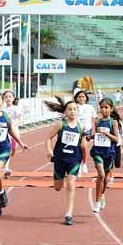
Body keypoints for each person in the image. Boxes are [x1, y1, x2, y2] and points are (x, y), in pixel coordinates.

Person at [44, 96, 87, 225]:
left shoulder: (81, 127)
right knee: (58, 187)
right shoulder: (60, 125)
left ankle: (68, 214)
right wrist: (49, 150)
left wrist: (84, 162)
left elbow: (83, 145)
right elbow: (48, 138)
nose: (72, 112)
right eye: (70, 109)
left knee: (71, 184)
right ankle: (59, 180)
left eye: (75, 109)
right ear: (65, 112)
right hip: (60, 159)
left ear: (77, 112)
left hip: (74, 159)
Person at [90, 98, 119, 213]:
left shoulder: (113, 122)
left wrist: (107, 134)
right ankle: (96, 203)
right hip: (97, 151)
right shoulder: (97, 121)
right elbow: (96, 135)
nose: (103, 109)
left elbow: (116, 139)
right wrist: (90, 137)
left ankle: (102, 195)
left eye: (106, 107)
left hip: (108, 152)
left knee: (105, 178)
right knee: (101, 175)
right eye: (101, 107)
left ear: (111, 109)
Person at [74, 90, 96, 176]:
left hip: (87, 130)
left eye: (83, 97)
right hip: (76, 130)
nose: (81, 98)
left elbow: (95, 118)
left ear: (86, 98)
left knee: (83, 147)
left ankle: (84, 164)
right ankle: (78, 166)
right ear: (76, 98)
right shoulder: (75, 106)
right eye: (79, 97)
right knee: (77, 148)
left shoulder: (90, 107)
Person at [2, 90, 23, 178]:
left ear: (13, 98)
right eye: (6, 97)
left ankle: (13, 151)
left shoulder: (16, 108)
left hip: (14, 132)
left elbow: (20, 120)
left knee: (13, 148)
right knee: (6, 150)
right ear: (3, 99)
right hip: (5, 133)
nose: (8, 98)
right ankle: (6, 169)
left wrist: (12, 125)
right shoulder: (2, 109)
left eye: (10, 96)